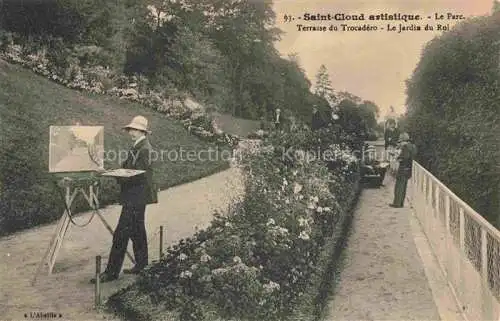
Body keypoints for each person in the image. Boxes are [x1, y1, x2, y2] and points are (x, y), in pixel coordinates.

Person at [91, 115, 158, 283]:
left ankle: (111, 272)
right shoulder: (139, 146)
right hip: (138, 195)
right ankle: (142, 265)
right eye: (131, 129)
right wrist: (110, 171)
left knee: (121, 233)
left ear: (142, 131)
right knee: (137, 231)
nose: (131, 132)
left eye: (134, 130)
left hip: (136, 196)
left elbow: (135, 175)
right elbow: (128, 169)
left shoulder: (144, 149)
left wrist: (110, 174)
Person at [390, 132, 417, 208]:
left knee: (399, 186)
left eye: (400, 141)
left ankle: (397, 203)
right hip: (409, 168)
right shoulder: (413, 146)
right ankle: (401, 203)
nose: (400, 143)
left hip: (403, 168)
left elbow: (405, 157)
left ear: (403, 140)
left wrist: (397, 158)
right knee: (404, 186)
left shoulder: (405, 147)